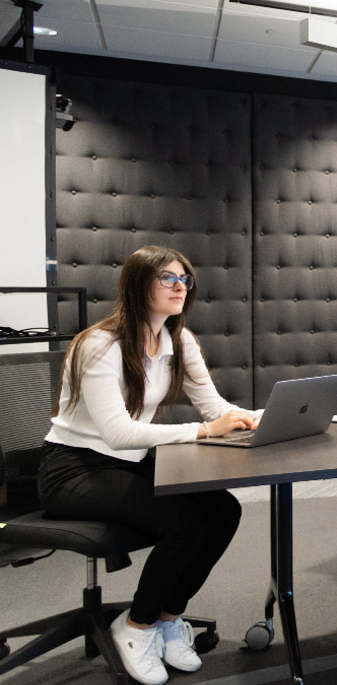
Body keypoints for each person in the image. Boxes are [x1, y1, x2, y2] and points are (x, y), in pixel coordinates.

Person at [37, 246, 254, 685]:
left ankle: (169, 617)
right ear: (139, 285)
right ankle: (135, 627)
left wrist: (262, 417)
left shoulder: (180, 339)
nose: (180, 287)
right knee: (185, 525)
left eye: (185, 280)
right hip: (73, 470)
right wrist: (204, 431)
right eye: (168, 279)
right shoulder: (99, 345)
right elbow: (118, 432)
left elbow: (214, 407)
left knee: (224, 510)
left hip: (125, 464)